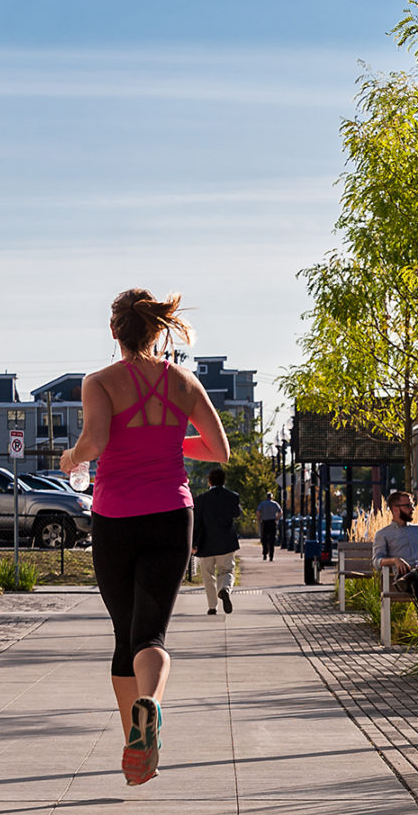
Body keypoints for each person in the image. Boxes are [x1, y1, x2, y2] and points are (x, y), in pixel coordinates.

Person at [61, 289, 231, 786]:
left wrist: (73, 459)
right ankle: (149, 708)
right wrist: (166, 437)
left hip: (116, 519)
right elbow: (218, 449)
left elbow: (95, 442)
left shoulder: (100, 382)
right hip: (172, 518)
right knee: (151, 632)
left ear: (114, 332)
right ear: (158, 331)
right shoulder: (183, 382)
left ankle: (134, 742)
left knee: (124, 636)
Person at [192, 467, 241, 614]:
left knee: (208, 576)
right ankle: (225, 589)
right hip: (226, 542)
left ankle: (212, 607)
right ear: (224, 480)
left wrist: (194, 543)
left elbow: (197, 523)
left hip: (205, 544)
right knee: (226, 571)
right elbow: (236, 513)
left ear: (209, 481)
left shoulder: (200, 499)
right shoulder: (232, 496)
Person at [256, 492, 283, 561]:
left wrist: (259, 519)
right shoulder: (275, 504)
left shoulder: (262, 504)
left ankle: (265, 553)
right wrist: (277, 518)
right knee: (272, 539)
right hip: (272, 522)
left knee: (264, 538)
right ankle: (271, 555)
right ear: (272, 497)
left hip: (265, 522)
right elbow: (280, 512)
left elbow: (258, 512)